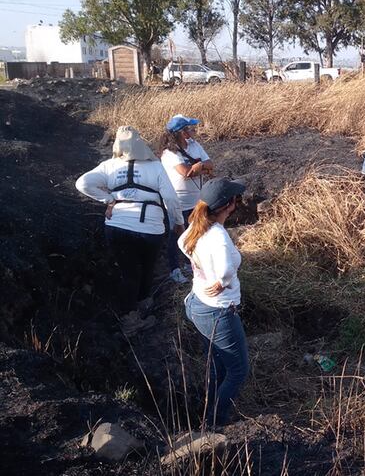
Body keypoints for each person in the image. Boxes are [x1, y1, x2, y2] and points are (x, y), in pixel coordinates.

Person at [75, 126, 183, 315]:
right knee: (148, 269)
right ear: (140, 144)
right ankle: (143, 305)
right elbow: (171, 199)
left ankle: (128, 316)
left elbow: (82, 183)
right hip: (150, 229)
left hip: (117, 226)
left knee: (129, 273)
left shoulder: (108, 166)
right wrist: (178, 223)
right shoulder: (155, 166)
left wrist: (109, 200)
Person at [179, 177, 249, 427]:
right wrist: (221, 281)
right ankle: (214, 422)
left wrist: (206, 274)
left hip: (198, 305)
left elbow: (181, 243)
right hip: (217, 312)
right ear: (228, 205)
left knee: (219, 366)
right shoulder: (218, 235)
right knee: (239, 371)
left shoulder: (197, 225)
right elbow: (226, 269)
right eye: (236, 199)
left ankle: (208, 409)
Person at [160, 114, 214, 284]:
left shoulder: (194, 145)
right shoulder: (169, 153)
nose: (194, 130)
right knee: (176, 235)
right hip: (177, 203)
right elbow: (185, 172)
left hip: (197, 200)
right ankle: (174, 269)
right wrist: (199, 168)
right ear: (183, 132)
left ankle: (189, 264)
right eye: (190, 128)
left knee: (195, 234)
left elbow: (210, 164)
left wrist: (198, 168)